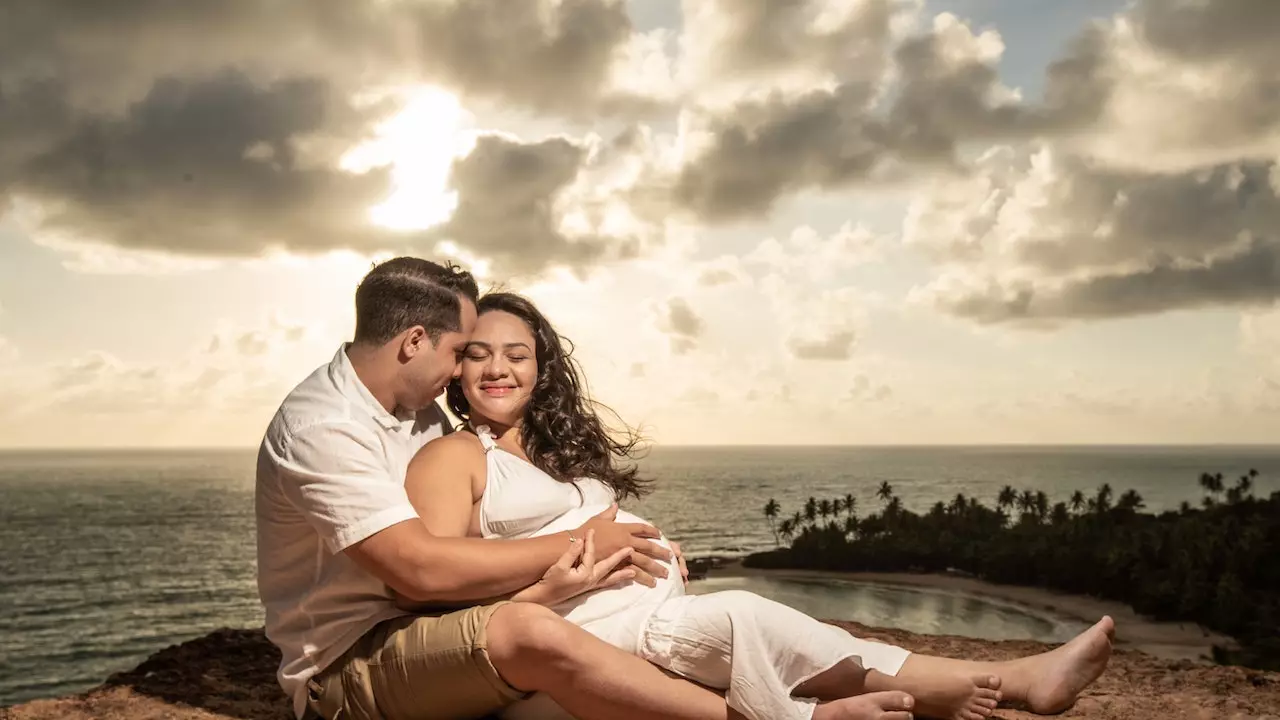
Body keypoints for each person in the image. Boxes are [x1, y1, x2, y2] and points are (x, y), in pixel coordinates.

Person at [403, 291, 1117, 720]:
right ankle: (1003, 681)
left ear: (541, 365)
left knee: (775, 631)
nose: (499, 368)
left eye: (517, 353)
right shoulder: (458, 457)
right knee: (745, 613)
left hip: (648, 616)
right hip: (584, 638)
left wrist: (646, 546)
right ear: (454, 369)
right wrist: (564, 579)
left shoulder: (555, 450)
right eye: (479, 354)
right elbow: (439, 608)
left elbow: (594, 527)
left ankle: (966, 687)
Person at [256, 257, 900, 720]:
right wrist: (585, 542)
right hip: (346, 668)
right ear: (414, 341)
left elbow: (492, 510)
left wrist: (629, 541)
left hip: (421, 633)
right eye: (461, 352)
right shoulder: (326, 427)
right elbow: (419, 569)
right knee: (534, 637)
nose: (464, 372)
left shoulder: (413, 406)